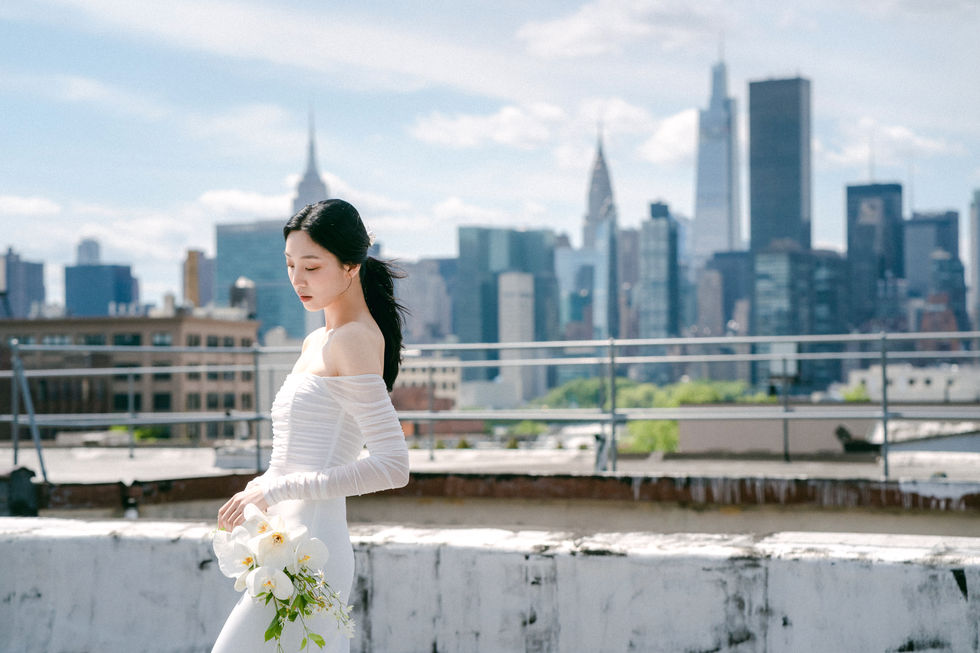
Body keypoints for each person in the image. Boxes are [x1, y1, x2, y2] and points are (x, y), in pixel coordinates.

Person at [211, 199, 410, 653]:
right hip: (283, 545)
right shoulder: (317, 340)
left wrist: (277, 490)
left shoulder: (356, 339)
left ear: (350, 267)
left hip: (311, 549)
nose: (298, 279)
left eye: (312, 266)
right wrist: (259, 489)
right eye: (290, 265)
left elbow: (393, 465)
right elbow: (295, 454)